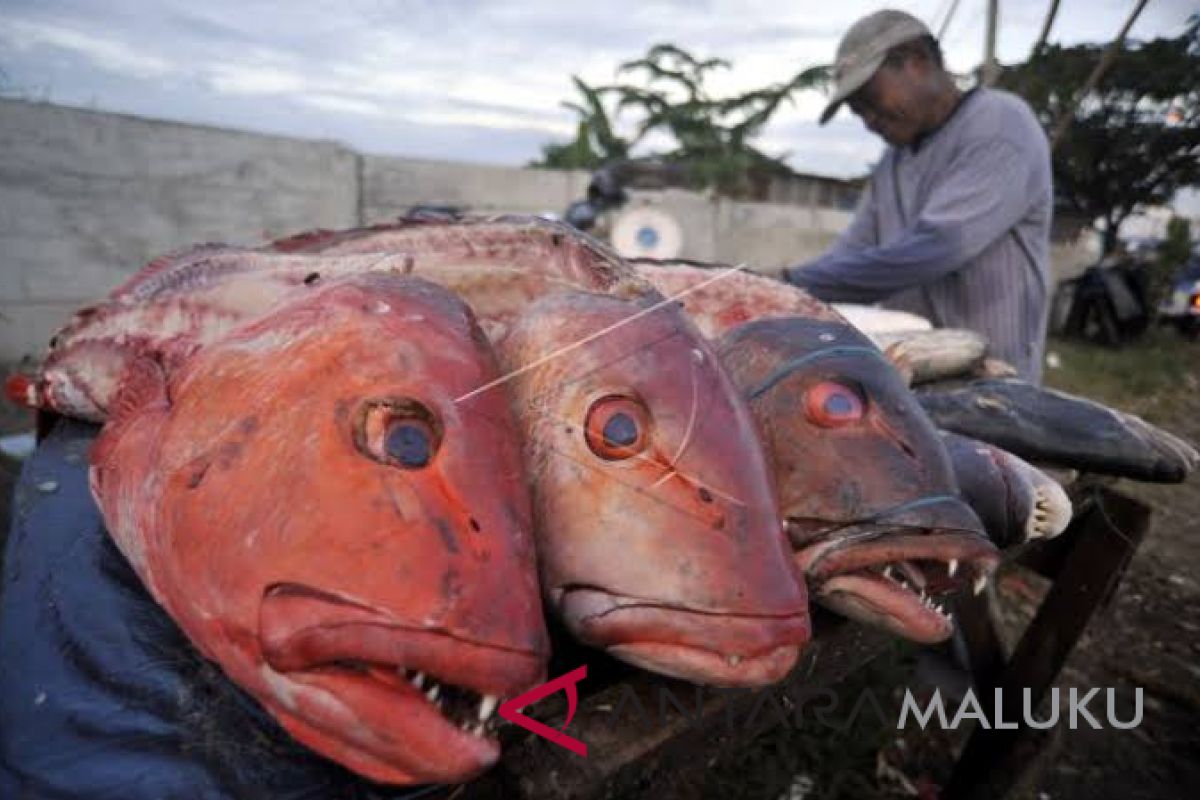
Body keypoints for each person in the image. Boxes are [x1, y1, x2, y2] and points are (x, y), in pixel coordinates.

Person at [783, 9, 1053, 383]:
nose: (868, 120)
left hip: (993, 381)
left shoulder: (1000, 125)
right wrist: (779, 291)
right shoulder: (892, 163)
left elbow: (937, 247)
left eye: (870, 99)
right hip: (914, 375)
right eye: (858, 111)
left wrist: (792, 282)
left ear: (919, 63)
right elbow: (853, 251)